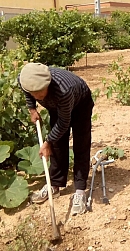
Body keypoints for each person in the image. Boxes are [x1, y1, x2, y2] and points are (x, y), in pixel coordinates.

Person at [18, 63, 94, 215]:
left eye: (40, 93)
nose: (38, 97)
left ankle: (79, 190)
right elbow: (27, 92)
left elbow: (63, 124)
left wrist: (47, 142)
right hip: (56, 106)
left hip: (81, 103)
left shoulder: (64, 91)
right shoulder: (24, 79)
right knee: (58, 146)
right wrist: (32, 109)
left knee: (81, 144)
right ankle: (54, 185)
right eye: (34, 94)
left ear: (48, 84)